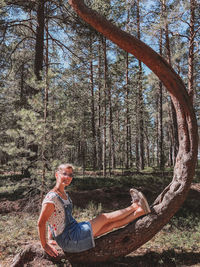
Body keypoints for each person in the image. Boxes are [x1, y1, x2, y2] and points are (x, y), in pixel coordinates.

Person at [37, 163, 151, 257]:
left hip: (73, 232)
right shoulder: (51, 198)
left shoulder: (64, 194)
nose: (68, 177)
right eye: (64, 174)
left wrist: (51, 237)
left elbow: (52, 219)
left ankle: (140, 212)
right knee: (103, 218)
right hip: (70, 239)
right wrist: (45, 245)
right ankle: (136, 206)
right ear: (57, 175)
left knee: (111, 225)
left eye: (70, 175)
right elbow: (41, 222)